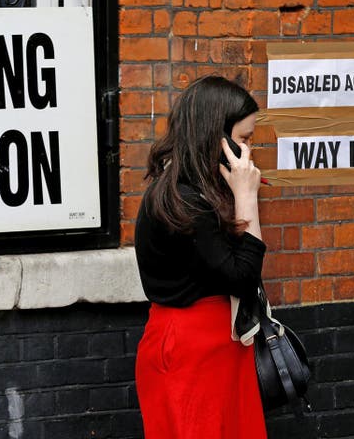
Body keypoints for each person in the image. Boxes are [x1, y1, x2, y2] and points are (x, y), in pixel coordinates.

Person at [134, 75, 267, 439]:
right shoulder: (186, 203)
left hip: (216, 346)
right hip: (192, 350)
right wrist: (247, 197)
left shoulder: (187, 193)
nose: (248, 152)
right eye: (244, 139)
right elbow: (243, 277)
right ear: (216, 138)